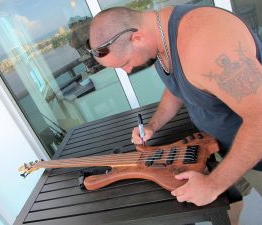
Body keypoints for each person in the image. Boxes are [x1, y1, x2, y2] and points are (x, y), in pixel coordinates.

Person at [86, 4, 262, 209]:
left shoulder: (205, 41)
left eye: (125, 62)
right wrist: (154, 124)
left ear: (137, 38)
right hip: (220, 147)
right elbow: (178, 85)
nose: (127, 70)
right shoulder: (161, 40)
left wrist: (213, 185)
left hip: (253, 154)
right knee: (235, 205)